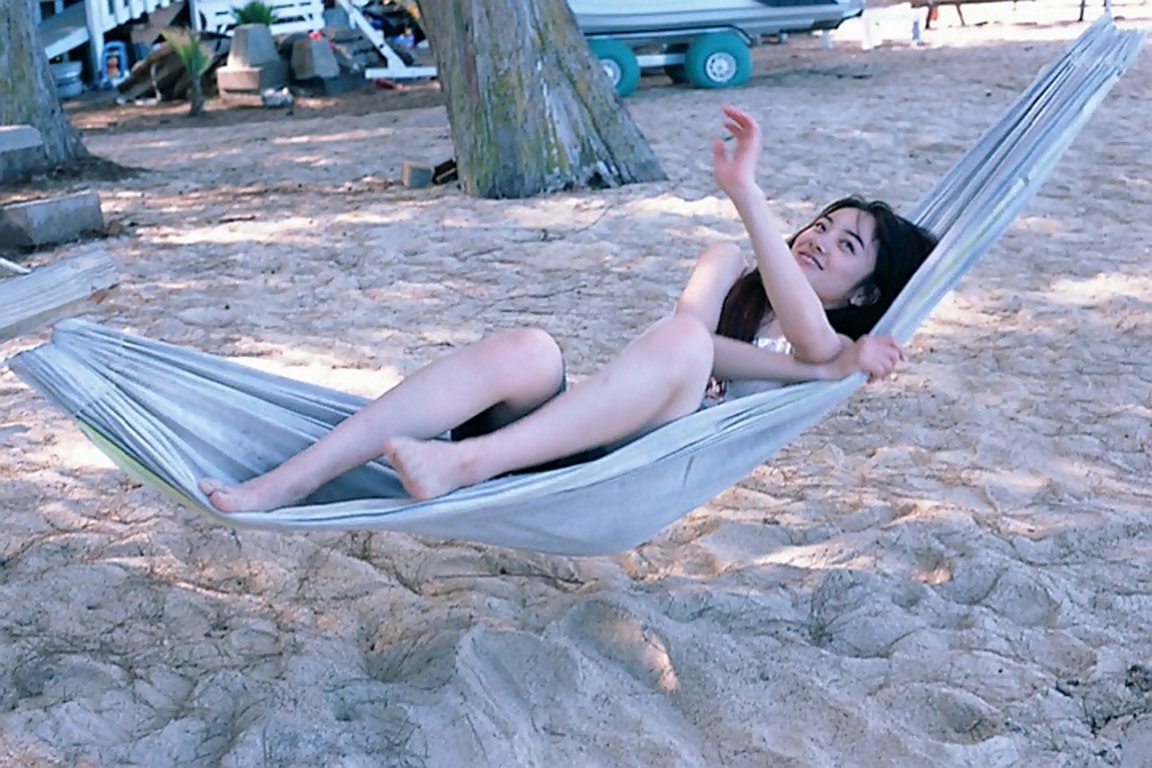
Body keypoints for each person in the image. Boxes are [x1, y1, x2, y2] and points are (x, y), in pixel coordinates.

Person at [201, 106, 937, 511]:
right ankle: (291, 480)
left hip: (623, 481)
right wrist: (818, 367)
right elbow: (698, 339)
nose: (819, 240)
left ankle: (464, 463)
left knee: (685, 345)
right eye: (822, 224)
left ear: (866, 295)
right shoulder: (727, 265)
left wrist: (826, 364)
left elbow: (810, 341)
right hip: (566, 444)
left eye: (846, 245)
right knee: (533, 348)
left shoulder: (826, 348)